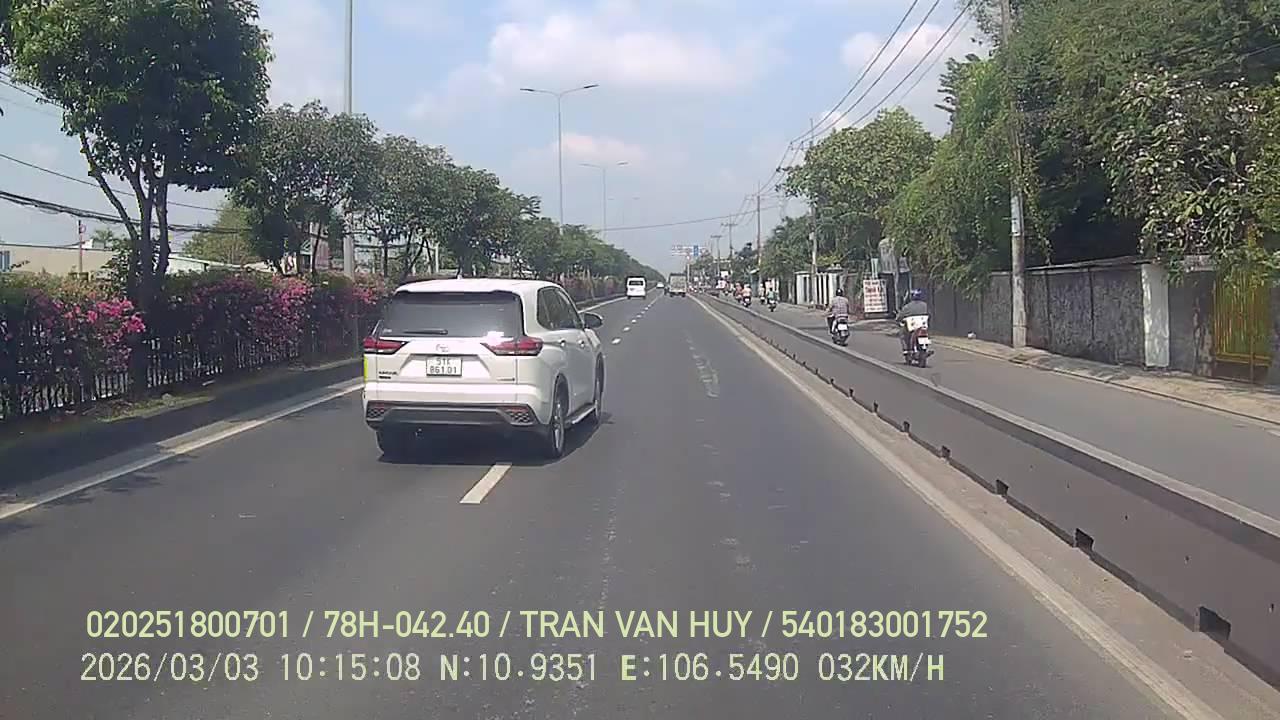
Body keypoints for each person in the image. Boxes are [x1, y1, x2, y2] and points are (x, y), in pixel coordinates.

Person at [896, 288, 930, 354]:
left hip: (912, 327)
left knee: (902, 334)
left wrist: (898, 319)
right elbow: (929, 313)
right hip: (923, 326)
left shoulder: (907, 307)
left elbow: (900, 316)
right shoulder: (925, 305)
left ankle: (906, 349)